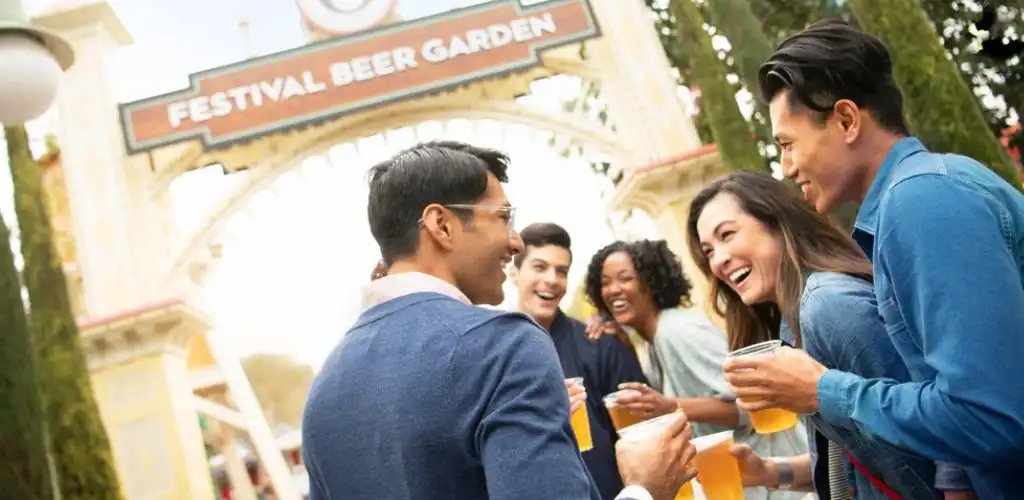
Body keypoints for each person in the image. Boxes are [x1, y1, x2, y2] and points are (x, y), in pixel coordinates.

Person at [721, 19, 1024, 499]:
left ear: (845, 120)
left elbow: (994, 418)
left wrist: (824, 390)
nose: (786, 166)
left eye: (787, 144)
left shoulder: (922, 201)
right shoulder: (910, 203)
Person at [302, 141, 696, 500]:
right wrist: (647, 489)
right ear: (442, 225)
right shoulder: (504, 347)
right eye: (503, 217)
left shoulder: (323, 391)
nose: (516, 241)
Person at [687, 170, 944, 499]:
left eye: (727, 235)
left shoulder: (828, 307)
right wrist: (770, 472)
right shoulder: (795, 321)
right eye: (708, 251)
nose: (719, 260)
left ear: (777, 222)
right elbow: (852, 459)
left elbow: (923, 449)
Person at [584, 239, 808, 500]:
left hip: (781, 483)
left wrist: (670, 407)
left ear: (651, 281)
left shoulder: (678, 331)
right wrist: (624, 345)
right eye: (605, 282)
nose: (613, 290)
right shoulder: (653, 343)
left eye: (625, 278)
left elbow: (756, 404)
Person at [511, 222, 649, 500]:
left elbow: (644, 434)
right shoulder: (496, 354)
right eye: (539, 267)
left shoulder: (603, 345)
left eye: (561, 271)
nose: (552, 279)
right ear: (514, 273)